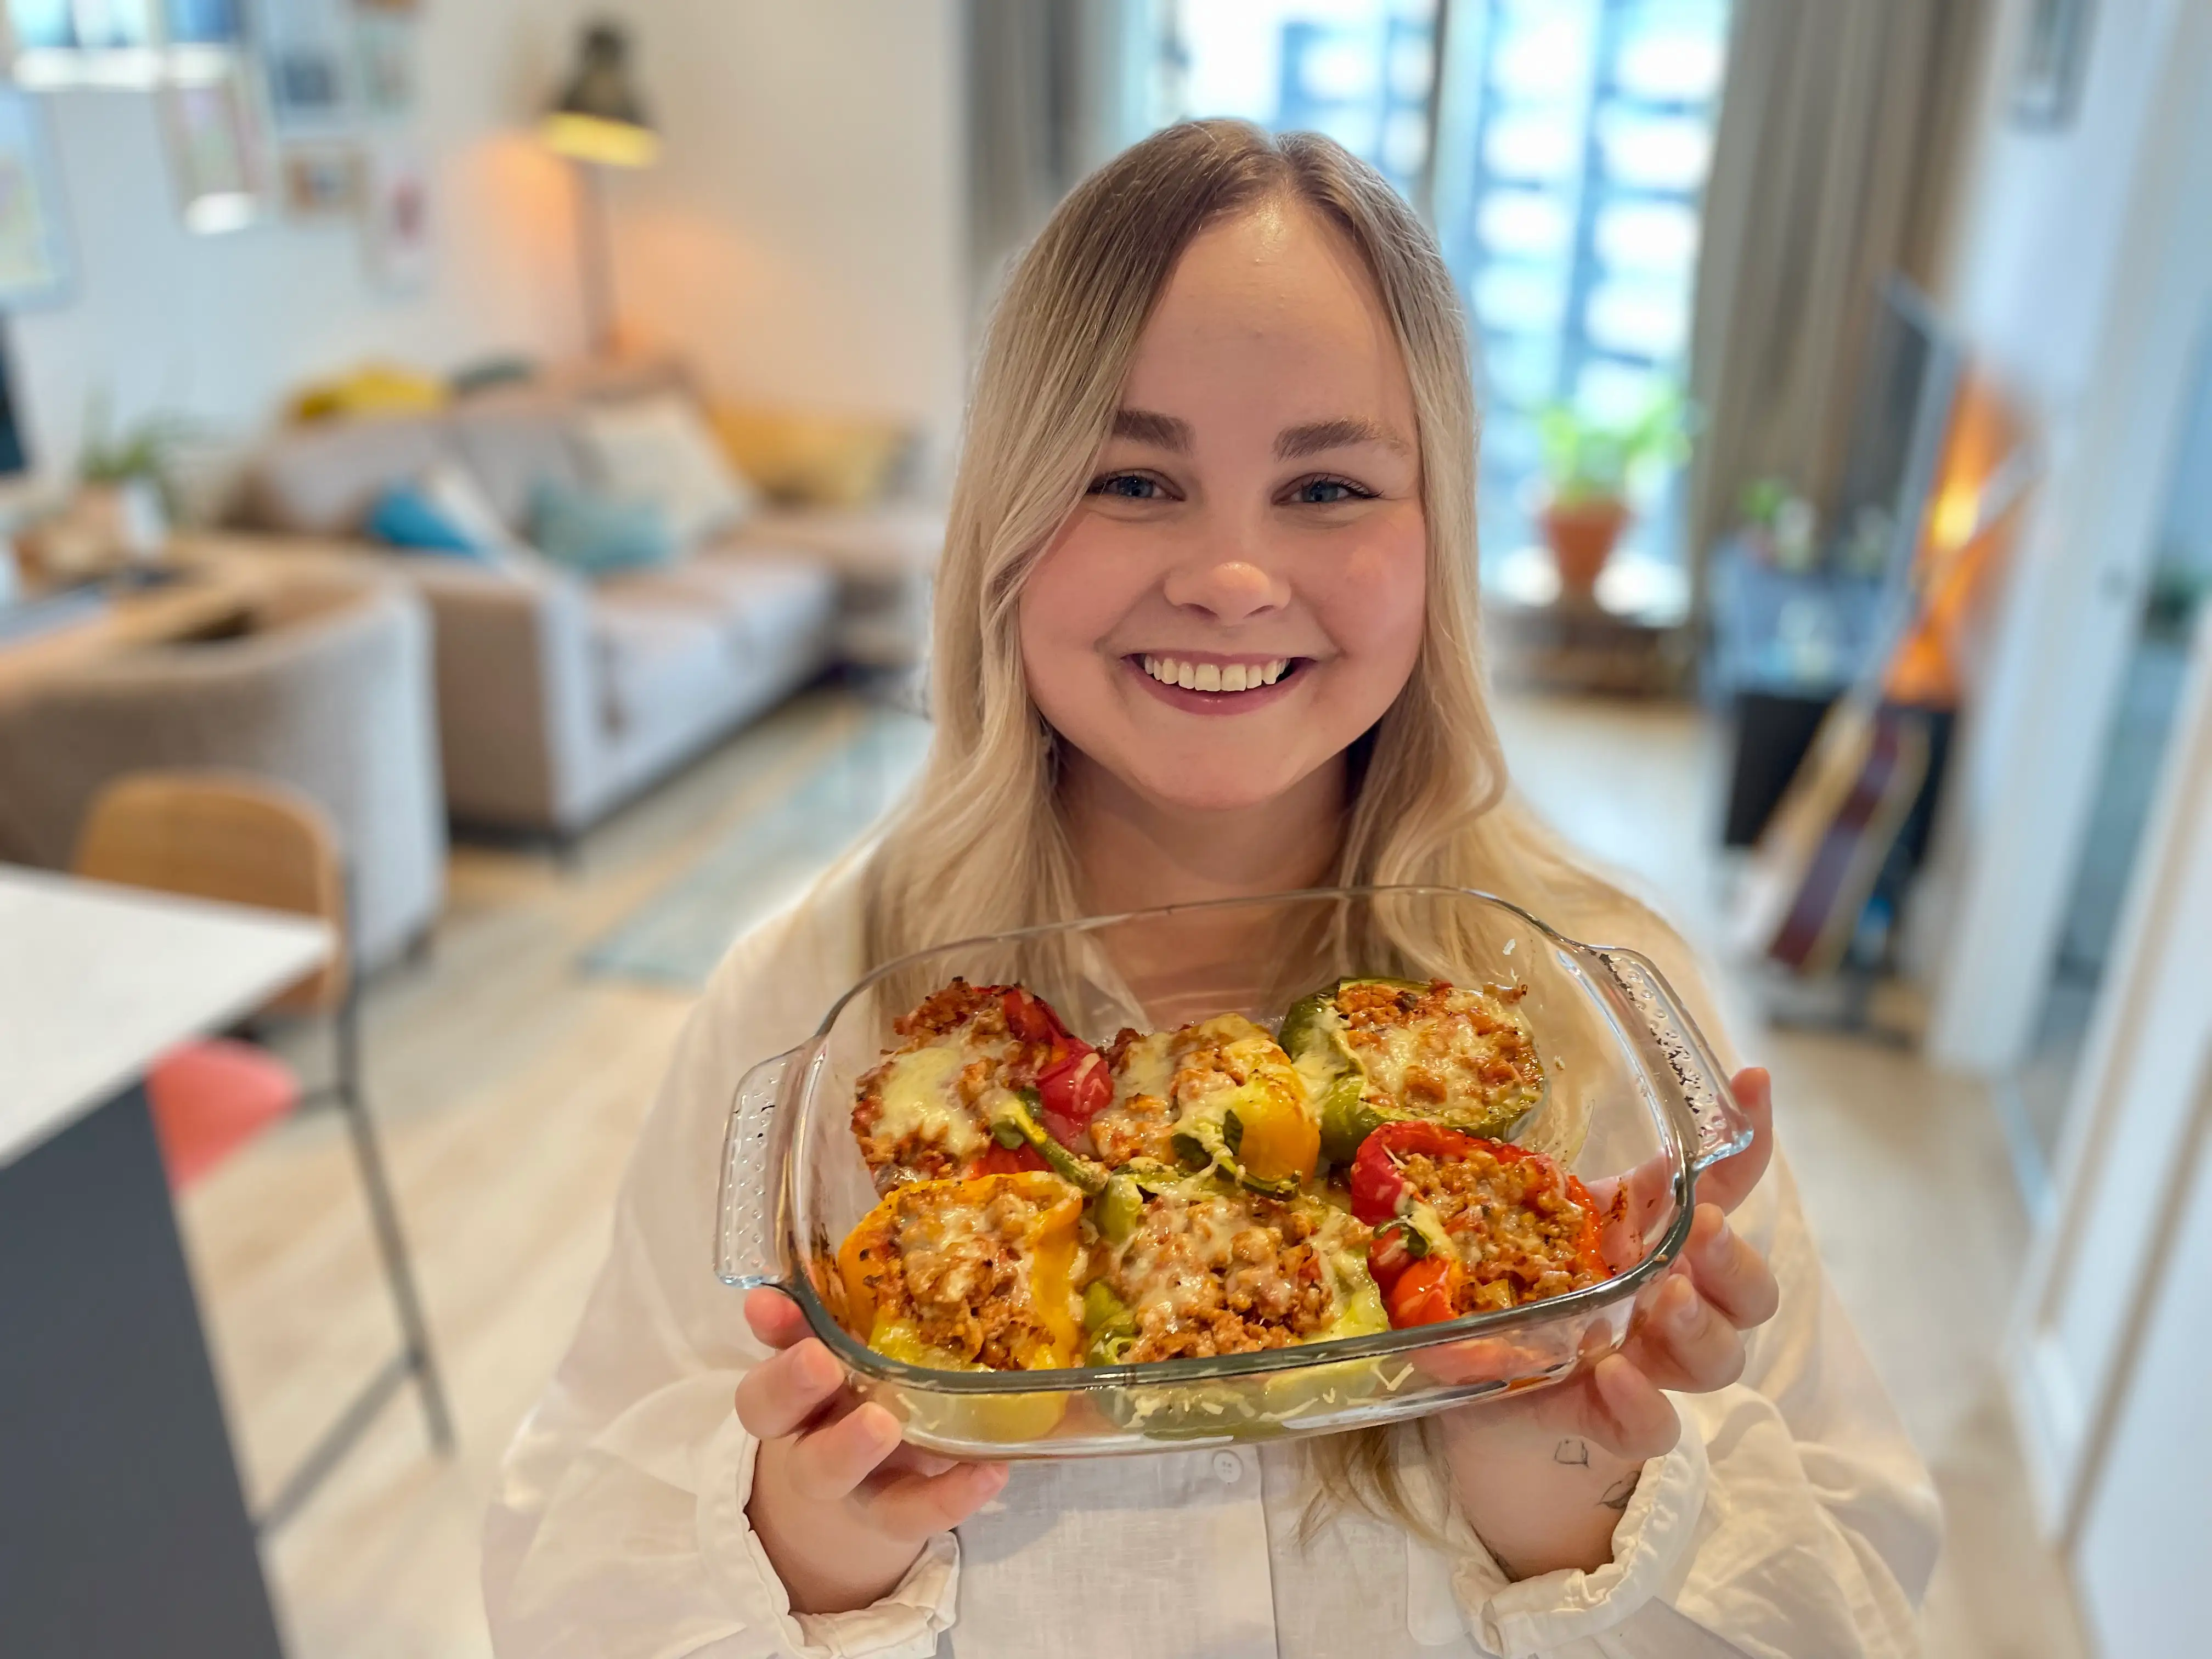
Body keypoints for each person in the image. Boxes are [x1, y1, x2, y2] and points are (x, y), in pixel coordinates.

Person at [483, 121, 1940, 1658]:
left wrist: (1565, 1479)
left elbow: (1854, 1597)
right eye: (1131, 476)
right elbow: (564, 1580)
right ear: (1006, 514)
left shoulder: (1599, 1013)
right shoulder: (807, 1010)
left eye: (1326, 488)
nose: (1234, 578)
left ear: (1437, 535)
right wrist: (805, 1543)